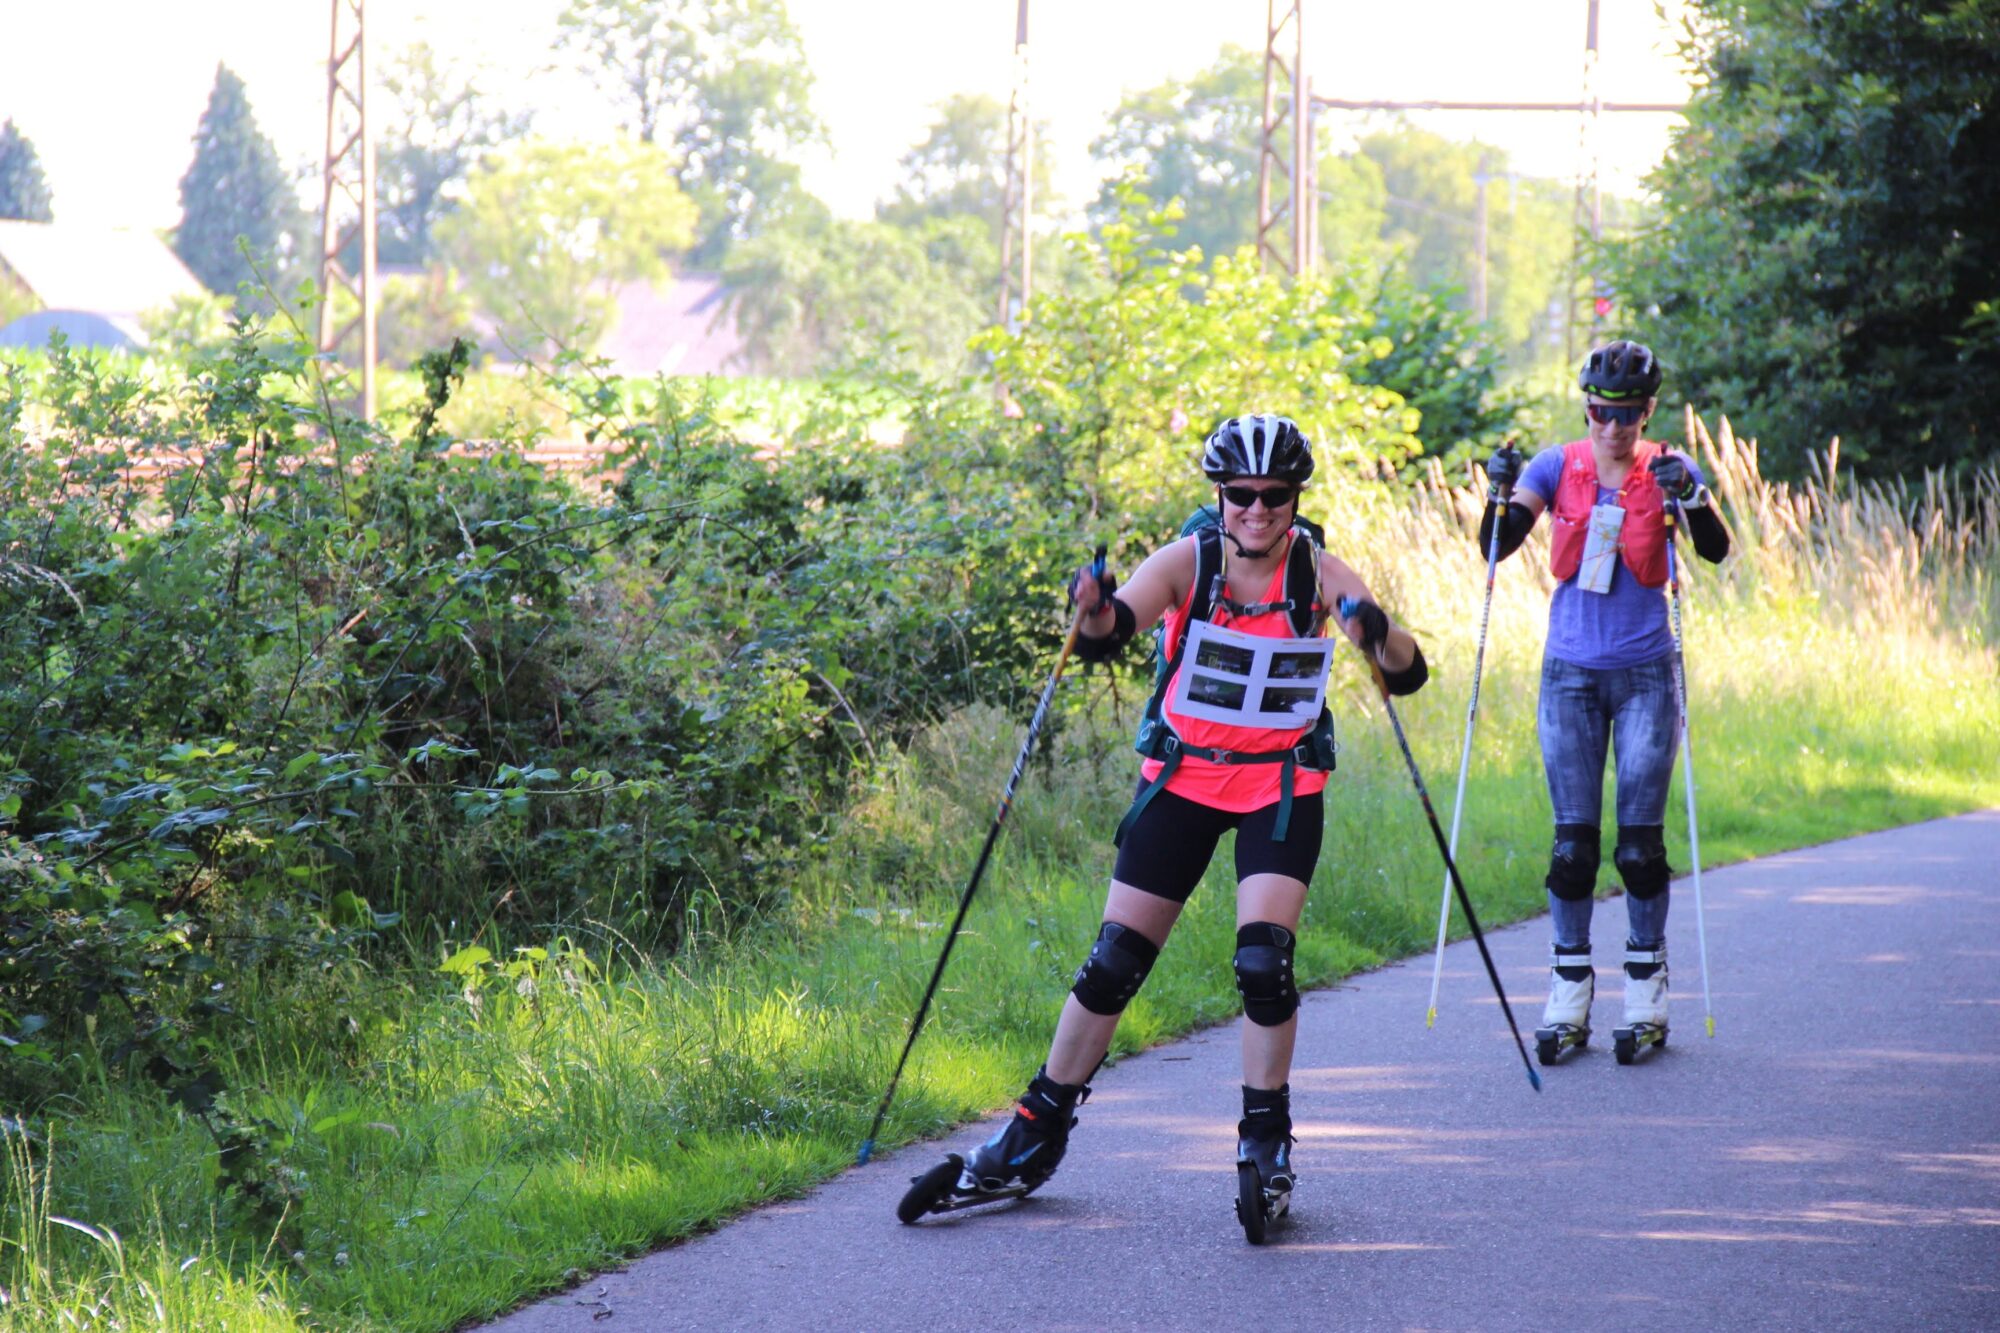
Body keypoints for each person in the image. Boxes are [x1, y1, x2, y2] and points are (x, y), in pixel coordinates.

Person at [946, 414, 1429, 1226]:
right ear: (1220, 494)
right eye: (1241, 494)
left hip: (1279, 786)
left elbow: (1407, 672)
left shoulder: (1318, 569)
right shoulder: (1188, 561)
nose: (1258, 510)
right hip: (1182, 780)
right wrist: (1093, 607)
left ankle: (1266, 1143)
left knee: (1262, 962)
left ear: (1295, 498)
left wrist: (1377, 633)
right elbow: (1110, 633)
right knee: (1113, 962)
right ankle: (1033, 1132)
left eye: (1276, 496)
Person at [1477, 340, 1730, 1059]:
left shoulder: (1670, 467)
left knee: (1640, 849)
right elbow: (1498, 544)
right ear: (1584, 405)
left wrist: (1693, 495)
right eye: (1599, 411)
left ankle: (1647, 991)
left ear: (1647, 411)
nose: (1613, 426)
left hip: (1648, 672)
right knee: (1571, 847)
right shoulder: (1556, 466)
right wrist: (1496, 494)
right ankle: (1568, 992)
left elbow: (1715, 549)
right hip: (1570, 676)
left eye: (1627, 414)